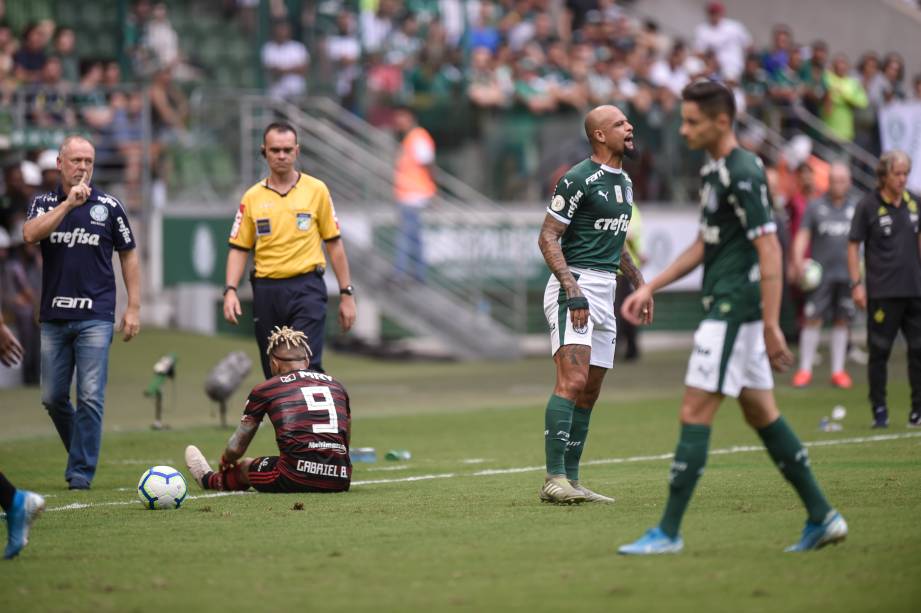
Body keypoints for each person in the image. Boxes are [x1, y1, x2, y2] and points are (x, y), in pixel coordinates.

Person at [618, 81, 846, 554]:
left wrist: (770, 325)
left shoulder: (743, 171)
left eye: (692, 121)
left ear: (722, 121)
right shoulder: (715, 169)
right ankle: (823, 516)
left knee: (693, 410)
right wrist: (650, 285)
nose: (682, 130)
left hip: (734, 309)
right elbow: (706, 243)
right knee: (761, 411)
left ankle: (668, 532)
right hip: (729, 307)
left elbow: (769, 248)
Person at [536, 104, 651, 504]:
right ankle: (553, 478)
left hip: (606, 290)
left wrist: (640, 285)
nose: (629, 127)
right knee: (572, 381)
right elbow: (548, 237)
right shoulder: (577, 179)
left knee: (590, 392)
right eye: (620, 123)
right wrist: (571, 288)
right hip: (578, 286)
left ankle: (572, 479)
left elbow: (618, 245)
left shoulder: (626, 182)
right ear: (600, 135)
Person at [21, 135, 141, 490]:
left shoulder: (110, 206)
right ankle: (81, 451)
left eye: (88, 161)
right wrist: (68, 207)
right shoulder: (43, 203)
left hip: (96, 315)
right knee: (52, 397)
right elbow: (30, 235)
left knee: (89, 395)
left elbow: (129, 254)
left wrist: (132, 306)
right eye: (76, 161)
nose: (83, 168)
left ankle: (80, 473)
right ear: (60, 163)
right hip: (54, 315)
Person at [223, 122, 356, 378]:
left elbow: (334, 244)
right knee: (275, 370)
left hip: (307, 287)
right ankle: (286, 418)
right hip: (267, 290)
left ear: (297, 151)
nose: (281, 156)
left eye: (286, 149)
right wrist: (230, 290)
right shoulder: (252, 197)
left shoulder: (316, 190)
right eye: (275, 150)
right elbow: (239, 248)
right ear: (264, 151)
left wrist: (346, 293)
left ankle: (315, 417)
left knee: (304, 363)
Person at [185, 326, 351, 494]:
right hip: (340, 478)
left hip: (295, 476)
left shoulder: (266, 389)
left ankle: (209, 479)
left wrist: (226, 460)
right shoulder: (337, 386)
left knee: (245, 466)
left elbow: (237, 448)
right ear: (307, 361)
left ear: (274, 363)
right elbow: (345, 440)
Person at [847, 150, 921, 428]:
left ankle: (918, 411)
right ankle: (879, 410)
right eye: (897, 174)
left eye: (905, 174)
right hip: (882, 292)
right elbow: (853, 245)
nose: (902, 179)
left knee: (918, 350)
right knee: (879, 353)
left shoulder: (915, 203)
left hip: (914, 290)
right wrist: (857, 284)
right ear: (883, 175)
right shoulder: (867, 205)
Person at [790, 162, 859, 389]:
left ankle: (838, 371)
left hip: (846, 275)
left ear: (848, 182)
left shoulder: (856, 207)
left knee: (842, 321)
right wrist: (798, 260)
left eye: (842, 180)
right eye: (833, 180)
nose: (837, 185)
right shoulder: (815, 206)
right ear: (827, 182)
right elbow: (802, 235)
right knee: (813, 319)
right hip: (820, 276)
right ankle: (805, 370)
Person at [392, 106, 436, 283]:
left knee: (406, 234)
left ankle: (400, 273)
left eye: (401, 116)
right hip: (409, 192)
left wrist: (433, 186)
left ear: (410, 117)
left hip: (415, 193)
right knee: (414, 236)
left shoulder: (418, 136)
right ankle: (418, 274)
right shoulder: (410, 138)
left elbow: (427, 162)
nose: (398, 121)